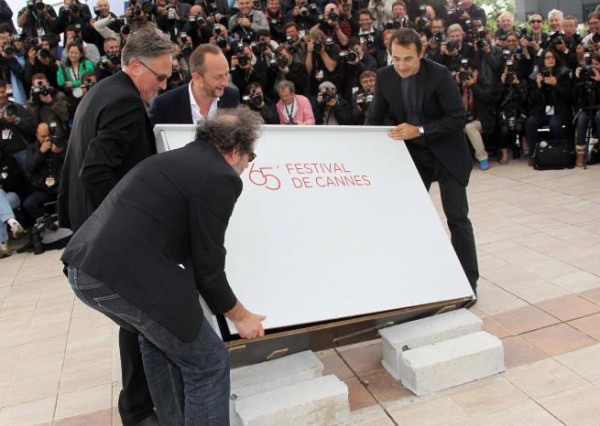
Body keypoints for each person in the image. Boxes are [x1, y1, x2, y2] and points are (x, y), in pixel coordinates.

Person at [62, 107, 265, 425]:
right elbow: (208, 267)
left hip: (84, 268)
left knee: (158, 342)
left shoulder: (176, 161)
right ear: (236, 149)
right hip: (124, 276)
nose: (246, 166)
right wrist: (241, 316)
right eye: (250, 157)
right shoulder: (219, 176)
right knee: (208, 362)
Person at [58, 25, 174, 426]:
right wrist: (120, 226)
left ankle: (141, 404)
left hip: (89, 225)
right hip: (108, 236)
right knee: (141, 319)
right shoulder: (125, 101)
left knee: (137, 321)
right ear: (135, 66)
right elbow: (94, 170)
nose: (162, 85)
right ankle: (138, 409)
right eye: (159, 77)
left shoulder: (102, 90)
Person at [365, 28, 479, 296]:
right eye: (396, 58)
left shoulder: (439, 75)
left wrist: (421, 130)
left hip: (447, 152)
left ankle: (468, 283)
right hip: (415, 155)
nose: (401, 65)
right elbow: (374, 117)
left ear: (421, 54)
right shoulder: (384, 76)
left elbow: (457, 118)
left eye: (408, 59)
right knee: (408, 216)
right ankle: (417, 275)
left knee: (457, 218)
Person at [150, 44, 239, 125]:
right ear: (197, 78)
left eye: (226, 74)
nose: (225, 83)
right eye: (218, 76)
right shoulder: (164, 105)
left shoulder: (231, 96)